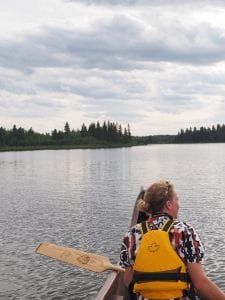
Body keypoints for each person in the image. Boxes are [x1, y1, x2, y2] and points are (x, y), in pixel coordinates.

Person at [119, 180, 225, 300]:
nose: (179, 205)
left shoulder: (130, 235)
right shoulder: (185, 231)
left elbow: (128, 280)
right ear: (169, 204)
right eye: (177, 200)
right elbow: (200, 285)